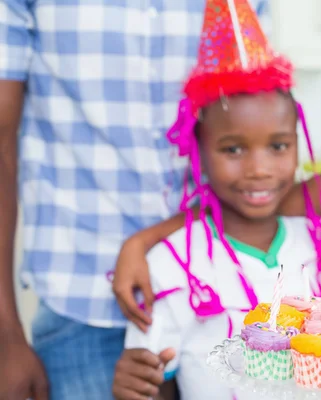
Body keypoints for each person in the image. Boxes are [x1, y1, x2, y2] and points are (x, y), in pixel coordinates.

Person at [0, 1, 271, 399]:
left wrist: (145, 241)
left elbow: (255, 136)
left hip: (224, 305)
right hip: (86, 310)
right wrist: (6, 336)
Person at [111, 1, 321, 398]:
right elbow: (155, 383)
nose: (259, 168)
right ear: (199, 150)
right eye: (233, 150)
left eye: (277, 145)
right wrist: (134, 387)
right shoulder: (171, 265)